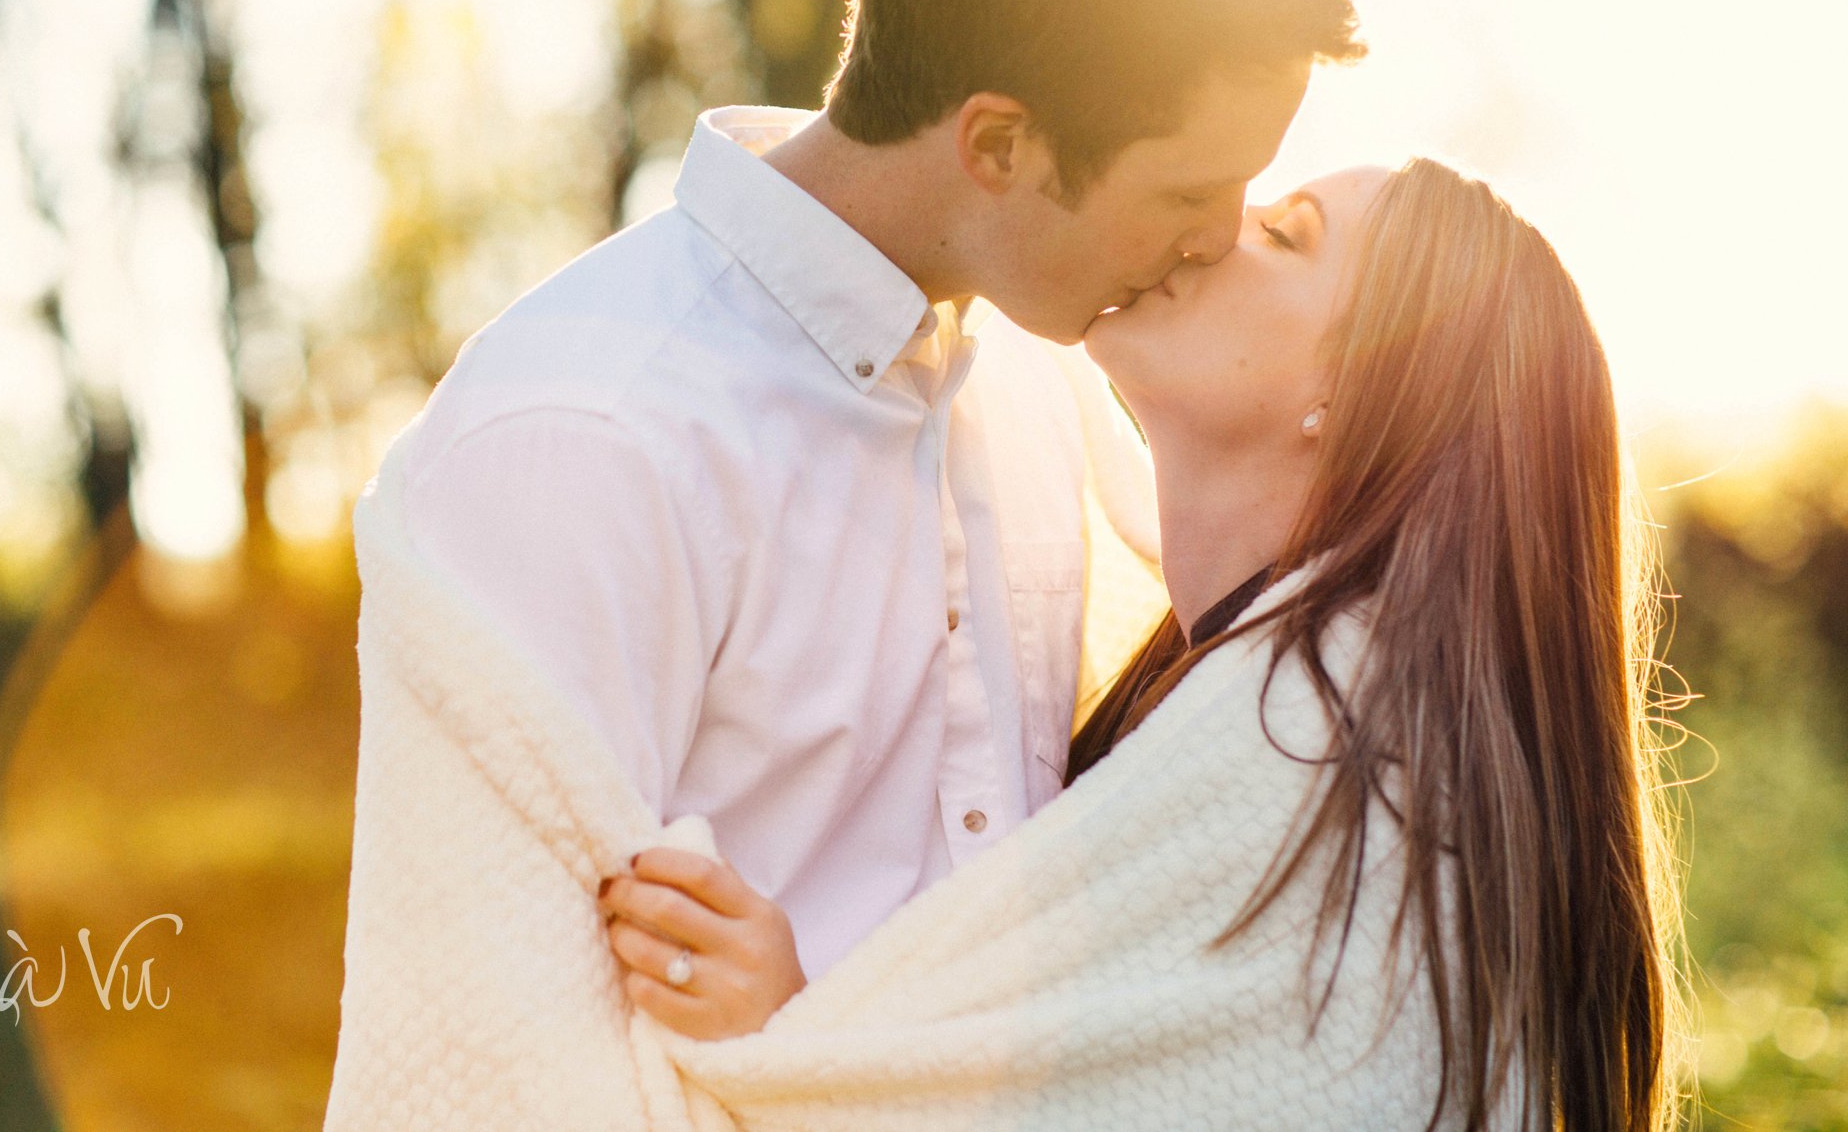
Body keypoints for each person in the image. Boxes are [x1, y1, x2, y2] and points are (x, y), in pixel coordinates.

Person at [373, 0, 1361, 1018]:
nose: (1220, 238)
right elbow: (510, 1031)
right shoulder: (588, 429)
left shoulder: (1045, 388)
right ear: (998, 146)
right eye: (1183, 194)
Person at [611, 159, 1690, 1130]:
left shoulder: (1320, 742)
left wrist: (793, 1055)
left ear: (1357, 388)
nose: (1211, 230)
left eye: (1284, 234)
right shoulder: (1270, 711)